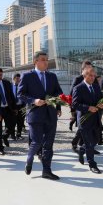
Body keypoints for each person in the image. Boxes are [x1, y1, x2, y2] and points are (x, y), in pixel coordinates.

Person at [18, 51, 63, 180]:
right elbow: (20, 94)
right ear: (35, 62)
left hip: (50, 114)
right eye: (43, 59)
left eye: (47, 59)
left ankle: (47, 171)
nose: (46, 62)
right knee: (37, 141)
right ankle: (30, 157)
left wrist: (58, 106)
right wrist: (34, 101)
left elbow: (58, 92)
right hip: (35, 114)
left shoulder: (52, 76)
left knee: (48, 144)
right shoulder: (27, 76)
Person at [72, 68, 103, 174]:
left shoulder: (95, 86)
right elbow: (75, 104)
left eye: (94, 76)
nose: (93, 78)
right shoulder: (78, 88)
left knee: (95, 140)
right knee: (90, 143)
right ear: (85, 76)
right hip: (84, 121)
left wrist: (101, 104)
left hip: (95, 119)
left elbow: (99, 99)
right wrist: (88, 108)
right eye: (90, 75)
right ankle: (92, 164)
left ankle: (82, 150)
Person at [0, 68, 17, 155]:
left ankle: (5, 136)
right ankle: (0, 148)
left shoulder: (6, 83)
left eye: (1, 75)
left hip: (8, 108)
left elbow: (11, 96)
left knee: (12, 124)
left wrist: (15, 107)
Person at [11, 73, 25, 139]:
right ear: (13, 79)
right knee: (13, 121)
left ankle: (18, 135)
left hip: (21, 106)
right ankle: (12, 135)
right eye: (17, 79)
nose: (18, 80)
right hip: (14, 107)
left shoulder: (22, 87)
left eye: (19, 79)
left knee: (20, 121)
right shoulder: (10, 87)